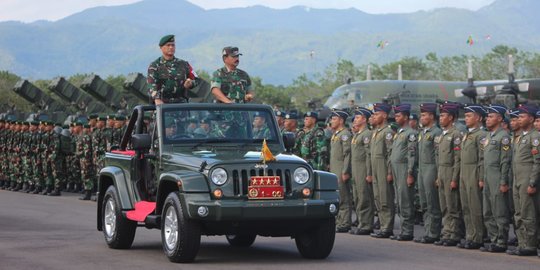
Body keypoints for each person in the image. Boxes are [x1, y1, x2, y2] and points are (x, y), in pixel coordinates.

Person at [507, 104, 540, 256]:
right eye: (518, 117)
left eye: (522, 117)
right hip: (517, 179)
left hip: (527, 179)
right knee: (518, 213)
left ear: (531, 119)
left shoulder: (535, 137)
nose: (519, 119)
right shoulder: (521, 137)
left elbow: (537, 161)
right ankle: (522, 243)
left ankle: (530, 245)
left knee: (528, 213)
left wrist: (532, 182)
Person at [480, 105, 512, 253]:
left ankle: (501, 241)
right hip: (487, 178)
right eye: (487, 117)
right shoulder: (487, 137)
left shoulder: (504, 137)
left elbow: (505, 161)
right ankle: (493, 240)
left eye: (491, 116)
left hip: (497, 177)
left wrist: (504, 181)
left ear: (500, 118)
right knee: (487, 211)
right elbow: (483, 160)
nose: (487, 119)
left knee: (499, 210)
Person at [433, 102, 463, 247]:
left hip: (451, 171)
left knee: (452, 205)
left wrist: (454, 178)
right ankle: (446, 233)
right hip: (442, 171)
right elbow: (439, 158)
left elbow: (457, 158)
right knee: (444, 205)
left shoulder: (456, 134)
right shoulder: (441, 135)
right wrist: (439, 176)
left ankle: (454, 234)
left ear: (451, 117)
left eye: (443, 115)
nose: (440, 118)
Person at [457, 105, 486, 249]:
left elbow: (482, 159)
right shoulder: (466, 134)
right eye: (466, 116)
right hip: (464, 172)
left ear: (479, 118)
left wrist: (481, 178)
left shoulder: (481, 135)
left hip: (473, 172)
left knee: (475, 207)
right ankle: (470, 236)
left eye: (469, 116)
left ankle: (478, 237)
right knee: (466, 206)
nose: (466, 118)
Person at [414, 103, 443, 244]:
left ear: (432, 116)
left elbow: (438, 155)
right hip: (422, 169)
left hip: (431, 168)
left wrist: (438, 175)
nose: (422, 117)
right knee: (424, 202)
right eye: (421, 114)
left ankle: (434, 233)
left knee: (432, 202)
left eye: (424, 115)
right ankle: (427, 231)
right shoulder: (423, 133)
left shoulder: (436, 133)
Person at [389, 104, 418, 241]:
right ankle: (403, 230)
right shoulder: (399, 133)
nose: (396, 117)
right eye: (395, 115)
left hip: (404, 169)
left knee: (405, 200)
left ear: (406, 117)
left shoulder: (410, 133)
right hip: (396, 169)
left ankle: (407, 231)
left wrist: (410, 173)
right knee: (399, 200)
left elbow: (411, 155)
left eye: (398, 115)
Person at [368, 103, 395, 239]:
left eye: (377, 114)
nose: (374, 116)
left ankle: (387, 227)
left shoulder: (388, 132)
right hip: (375, 167)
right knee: (378, 197)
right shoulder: (375, 132)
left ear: (384, 115)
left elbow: (390, 153)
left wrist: (389, 171)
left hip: (383, 167)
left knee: (385, 198)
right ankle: (383, 225)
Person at [147, 34, 198, 105]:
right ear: (161, 47)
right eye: (168, 45)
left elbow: (196, 79)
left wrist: (191, 83)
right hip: (162, 106)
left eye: (173, 45)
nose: (171, 47)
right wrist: (157, 99)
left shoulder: (184, 64)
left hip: (181, 106)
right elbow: (151, 86)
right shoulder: (155, 66)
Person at [348, 107, 375, 235]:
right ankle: (361, 222)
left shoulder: (367, 135)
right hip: (356, 169)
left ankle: (366, 225)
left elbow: (369, 155)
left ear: (364, 119)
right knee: (357, 197)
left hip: (363, 169)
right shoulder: (358, 134)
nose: (355, 120)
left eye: (358, 117)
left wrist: (369, 173)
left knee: (364, 197)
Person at [329, 110, 352, 232]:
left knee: (343, 196)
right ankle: (339, 221)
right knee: (338, 196)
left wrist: (345, 171)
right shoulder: (336, 134)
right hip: (335, 168)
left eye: (334, 119)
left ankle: (345, 223)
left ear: (341, 120)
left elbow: (347, 154)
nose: (331, 121)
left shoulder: (345, 134)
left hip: (341, 169)